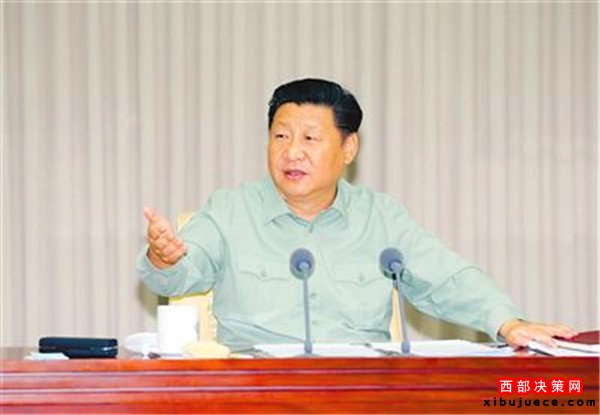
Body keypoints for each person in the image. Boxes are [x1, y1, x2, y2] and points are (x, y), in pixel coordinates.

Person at [137, 78, 577, 351]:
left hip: (359, 391)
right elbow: (180, 274)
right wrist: (164, 256)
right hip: (257, 391)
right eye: (281, 136)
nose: (292, 152)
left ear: (348, 148)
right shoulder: (230, 209)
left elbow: (447, 277)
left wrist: (507, 322)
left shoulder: (379, 217)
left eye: (310, 138)